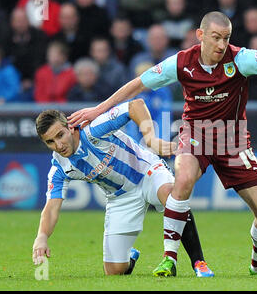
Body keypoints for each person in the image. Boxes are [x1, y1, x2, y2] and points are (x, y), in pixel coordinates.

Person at [67, 11, 257, 277]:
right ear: (200, 34)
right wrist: (98, 110)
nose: (222, 44)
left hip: (233, 140)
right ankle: (170, 259)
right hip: (195, 133)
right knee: (184, 179)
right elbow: (137, 84)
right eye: (216, 37)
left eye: (226, 38)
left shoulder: (241, 59)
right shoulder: (180, 63)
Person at [32, 99, 214, 277]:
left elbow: (136, 105)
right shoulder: (59, 168)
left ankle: (199, 262)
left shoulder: (93, 129)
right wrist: (42, 236)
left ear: (70, 127)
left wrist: (150, 139)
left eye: (60, 135)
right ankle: (130, 256)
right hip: (120, 198)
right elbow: (51, 207)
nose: (59, 145)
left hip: (147, 173)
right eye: (50, 142)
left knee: (171, 195)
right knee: (114, 271)